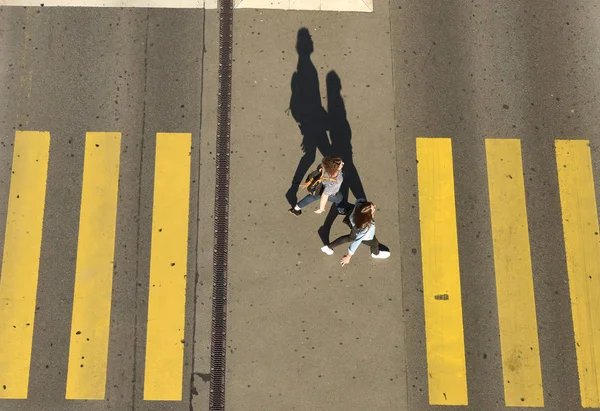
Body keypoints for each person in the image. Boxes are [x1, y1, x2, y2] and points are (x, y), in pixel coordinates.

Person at [320, 199, 390, 266]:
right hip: (365, 235)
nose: (374, 207)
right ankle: (375, 254)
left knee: (350, 238)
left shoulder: (359, 207)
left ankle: (328, 247)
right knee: (374, 243)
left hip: (355, 226)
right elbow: (357, 241)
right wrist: (348, 257)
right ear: (367, 215)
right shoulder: (368, 226)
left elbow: (359, 200)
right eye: (372, 210)